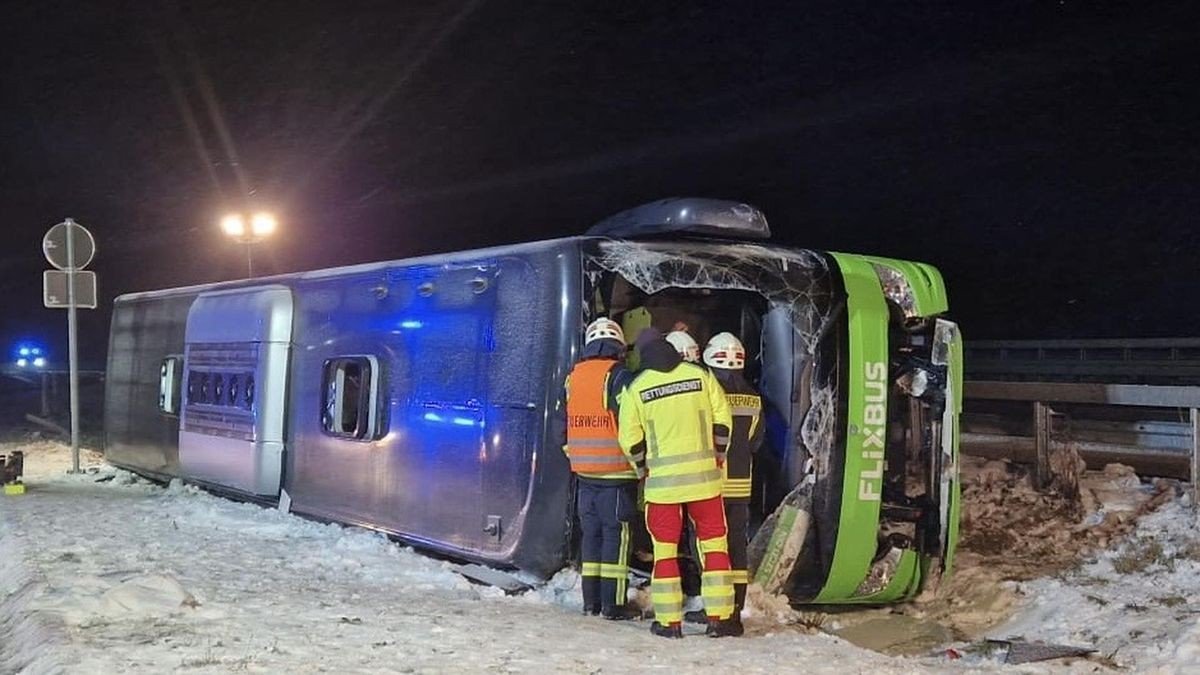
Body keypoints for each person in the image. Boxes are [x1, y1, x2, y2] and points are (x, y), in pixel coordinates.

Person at [618, 329, 737, 638]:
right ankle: (719, 619)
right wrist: (718, 455)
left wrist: (643, 469)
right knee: (714, 548)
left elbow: (630, 441)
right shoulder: (700, 375)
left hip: (663, 487)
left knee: (665, 552)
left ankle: (670, 624)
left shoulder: (637, 387)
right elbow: (724, 420)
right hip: (705, 482)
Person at [560, 317, 640, 620]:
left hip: (584, 472)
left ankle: (590, 602)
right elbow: (630, 422)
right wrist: (641, 463)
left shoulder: (574, 377)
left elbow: (561, 426)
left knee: (590, 536)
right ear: (618, 345)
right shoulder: (618, 376)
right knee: (615, 539)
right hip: (617, 473)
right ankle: (613, 605)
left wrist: (575, 455)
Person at [702, 332, 764, 636]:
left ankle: (714, 609)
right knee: (737, 550)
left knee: (710, 548)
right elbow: (755, 441)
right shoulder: (753, 397)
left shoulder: (707, 393)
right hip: (741, 484)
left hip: (710, 484)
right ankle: (734, 614)